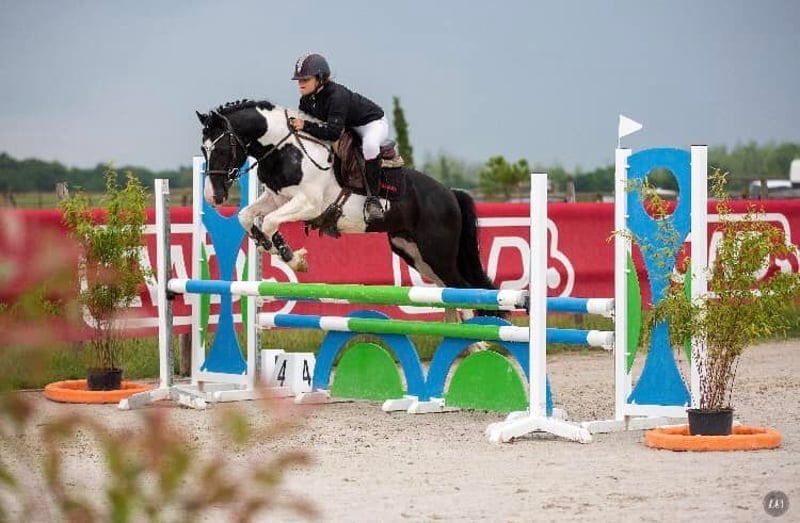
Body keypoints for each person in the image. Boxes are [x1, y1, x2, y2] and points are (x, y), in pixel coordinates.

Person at [288, 53, 388, 223]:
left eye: (305, 79)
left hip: (371, 123)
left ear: (320, 78)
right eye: (299, 80)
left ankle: (373, 200)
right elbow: (309, 130)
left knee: (370, 145)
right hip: (347, 126)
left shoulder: (336, 96)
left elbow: (332, 133)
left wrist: (304, 125)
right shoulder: (306, 100)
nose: (300, 84)